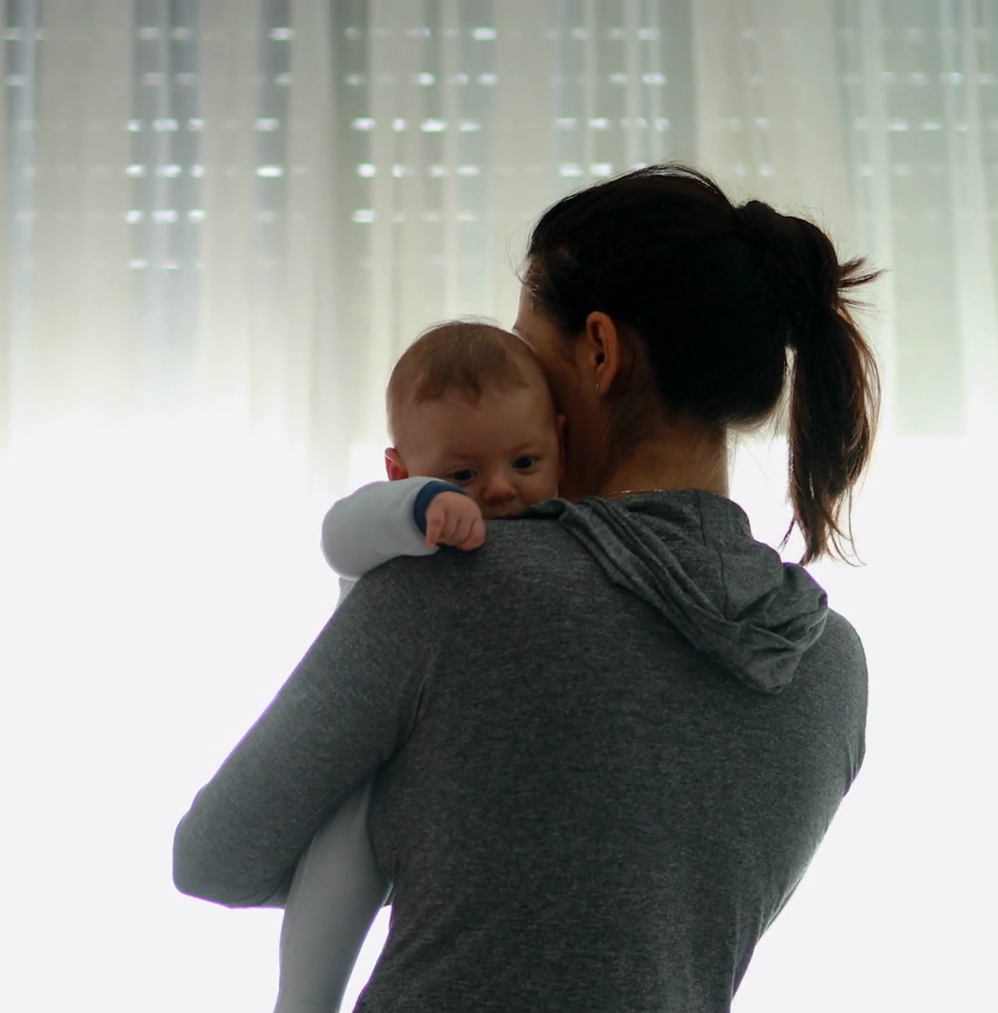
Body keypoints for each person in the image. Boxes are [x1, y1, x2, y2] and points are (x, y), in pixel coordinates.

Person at [174, 163, 877, 1011]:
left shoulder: (455, 582)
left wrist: (422, 832)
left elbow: (216, 855)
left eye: (528, 353)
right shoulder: (830, 670)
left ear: (600, 351)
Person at [277, 320, 564, 1013]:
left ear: (561, 441)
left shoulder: (568, 537)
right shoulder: (403, 533)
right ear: (398, 472)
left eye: (526, 461)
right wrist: (422, 509)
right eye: (464, 473)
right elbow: (338, 536)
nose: (500, 488)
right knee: (332, 898)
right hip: (370, 769)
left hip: (464, 792)